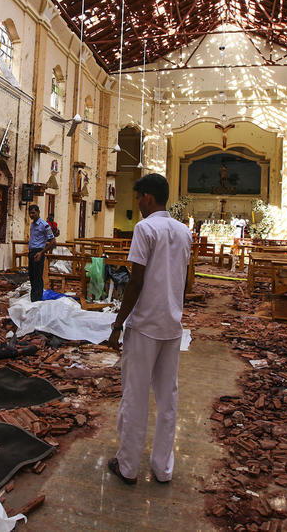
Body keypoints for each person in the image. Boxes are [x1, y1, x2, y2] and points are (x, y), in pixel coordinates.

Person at [107, 173, 192, 486]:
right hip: (172, 325)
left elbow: (136, 281)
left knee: (136, 396)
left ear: (148, 197)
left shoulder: (145, 228)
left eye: (139, 197)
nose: (137, 203)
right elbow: (183, 280)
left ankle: (128, 466)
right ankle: (162, 468)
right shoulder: (184, 232)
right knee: (168, 399)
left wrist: (118, 324)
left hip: (144, 326)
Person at [27, 204, 56, 302]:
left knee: (38, 277)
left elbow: (53, 242)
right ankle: (33, 299)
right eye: (30, 213)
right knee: (32, 276)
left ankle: (37, 300)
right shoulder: (32, 225)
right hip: (31, 253)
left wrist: (41, 253)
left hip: (39, 253)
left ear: (38, 212)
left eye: (33, 213)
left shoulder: (44, 225)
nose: (31, 215)